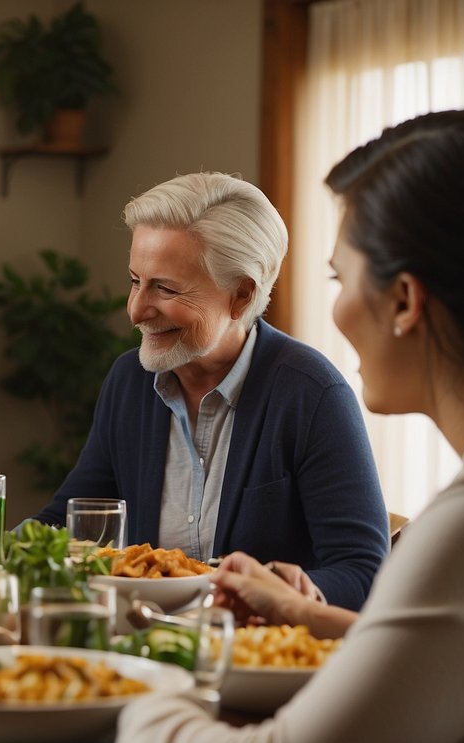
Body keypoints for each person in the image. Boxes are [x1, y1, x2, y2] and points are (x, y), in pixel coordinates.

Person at [115, 110, 464, 743]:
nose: (329, 309)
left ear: (402, 301)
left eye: (338, 276)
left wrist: (124, 693)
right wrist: (306, 616)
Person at [30, 172, 389, 610]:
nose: (136, 310)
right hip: (143, 649)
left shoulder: (312, 394)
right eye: (134, 280)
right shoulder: (129, 381)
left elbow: (362, 571)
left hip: (256, 661)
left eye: (164, 287)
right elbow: (70, 521)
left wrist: (291, 591)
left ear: (240, 296)